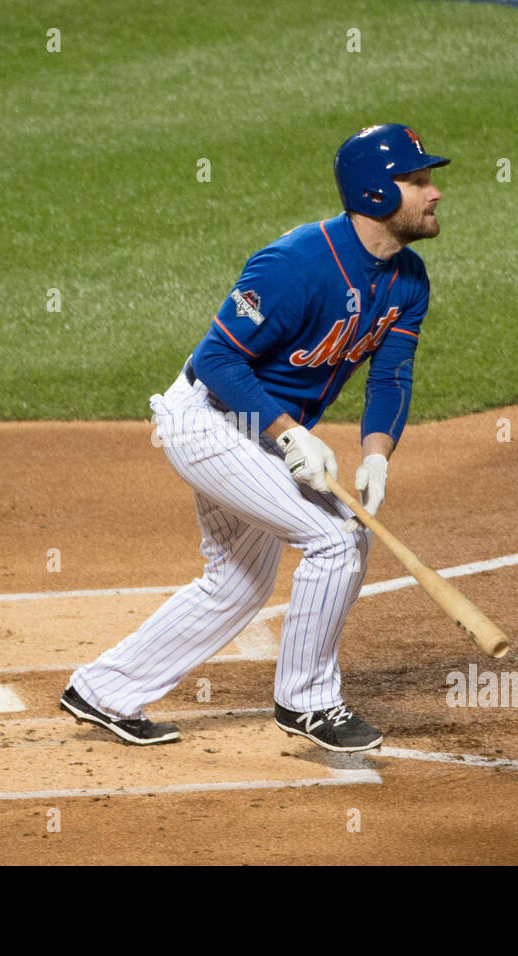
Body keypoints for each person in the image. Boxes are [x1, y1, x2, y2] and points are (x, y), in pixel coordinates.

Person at [61, 124, 447, 752]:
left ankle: (103, 691)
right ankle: (309, 703)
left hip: (261, 431)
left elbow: (392, 374)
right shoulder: (296, 263)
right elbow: (217, 362)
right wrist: (290, 433)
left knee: (237, 584)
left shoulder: (409, 280)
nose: (434, 194)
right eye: (418, 181)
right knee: (336, 539)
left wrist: (377, 455)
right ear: (377, 193)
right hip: (209, 419)